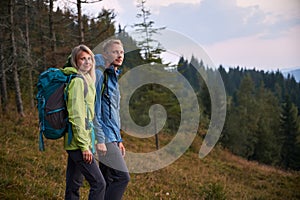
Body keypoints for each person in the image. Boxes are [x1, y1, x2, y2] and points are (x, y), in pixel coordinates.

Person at [63, 44, 106, 200]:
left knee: (74, 184)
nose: (87, 62)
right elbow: (76, 116)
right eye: (83, 58)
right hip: (78, 143)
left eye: (90, 59)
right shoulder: (78, 82)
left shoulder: (88, 80)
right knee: (99, 184)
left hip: (82, 142)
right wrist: (84, 146)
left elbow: (89, 115)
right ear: (75, 61)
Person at [94, 39, 130, 200]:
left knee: (108, 180)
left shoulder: (112, 75)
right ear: (105, 54)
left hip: (112, 137)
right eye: (115, 52)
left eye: (121, 52)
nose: (119, 55)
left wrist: (119, 139)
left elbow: (113, 112)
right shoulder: (100, 74)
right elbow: (94, 109)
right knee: (122, 177)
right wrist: (100, 138)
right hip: (104, 136)